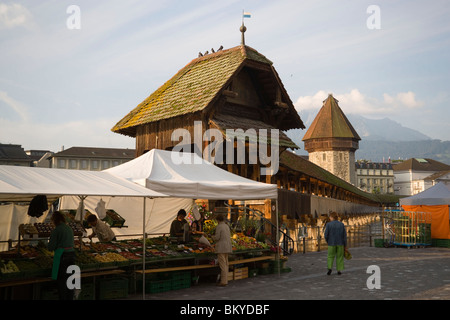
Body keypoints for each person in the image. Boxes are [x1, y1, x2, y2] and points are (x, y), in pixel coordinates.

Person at [48, 211, 76, 300]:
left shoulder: (56, 230)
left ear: (55, 220)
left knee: (62, 281)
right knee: (70, 280)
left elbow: (51, 247)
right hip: (72, 255)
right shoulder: (69, 228)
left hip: (63, 256)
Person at [213, 213, 232, 287]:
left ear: (218, 220)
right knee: (226, 264)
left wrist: (212, 237)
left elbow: (217, 237)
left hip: (221, 248)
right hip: (227, 247)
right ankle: (226, 280)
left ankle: (223, 282)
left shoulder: (219, 226)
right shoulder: (226, 226)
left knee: (222, 265)